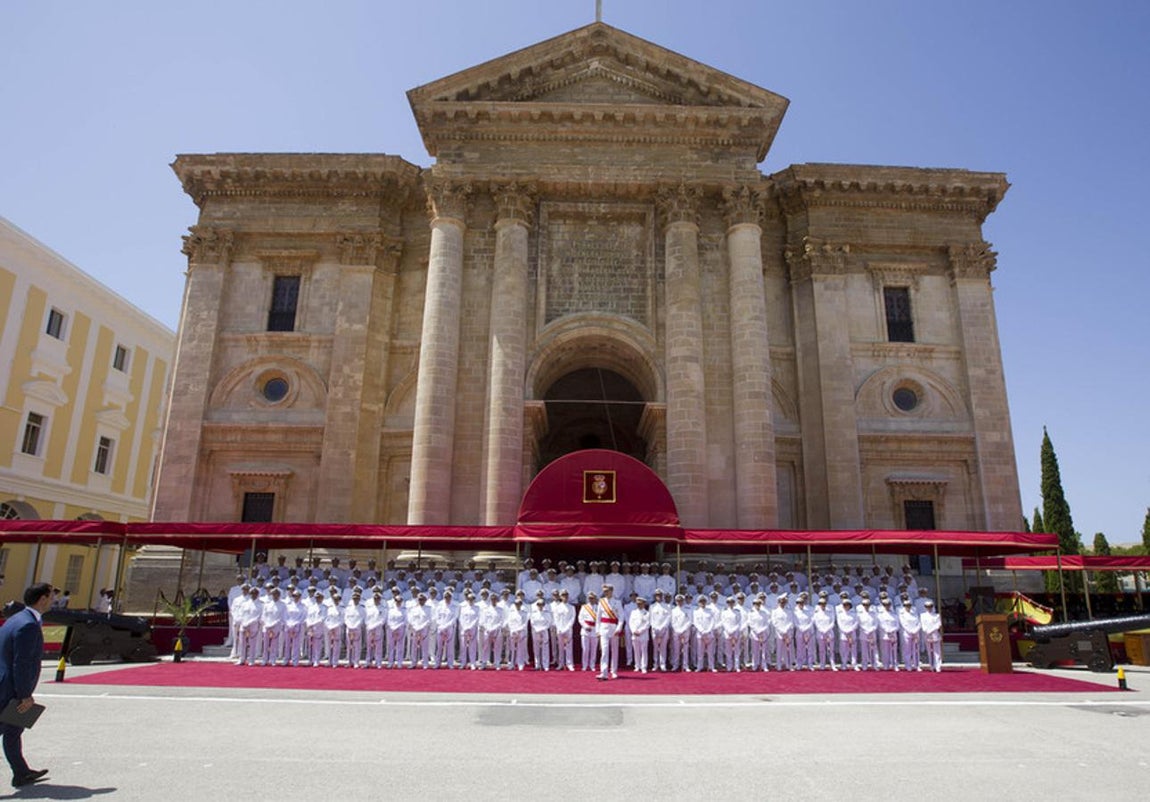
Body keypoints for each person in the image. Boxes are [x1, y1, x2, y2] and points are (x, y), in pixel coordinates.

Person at [0, 583, 52, 788]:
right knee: (10, 728)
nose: (53, 601)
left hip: (6, 684)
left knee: (13, 731)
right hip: (11, 688)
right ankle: (20, 773)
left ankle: (21, 772)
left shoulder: (15, 619)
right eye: (51, 597)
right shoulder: (28, 625)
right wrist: (25, 695)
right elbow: (21, 663)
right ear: (43, 599)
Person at [596, 585, 623, 680]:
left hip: (614, 628)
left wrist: (618, 629)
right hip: (604, 628)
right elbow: (598, 617)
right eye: (604, 591)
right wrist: (597, 630)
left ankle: (614, 671)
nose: (605, 593)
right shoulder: (601, 602)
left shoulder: (617, 602)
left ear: (612, 591)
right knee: (604, 651)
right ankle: (603, 673)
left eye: (607, 591)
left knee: (614, 651)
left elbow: (621, 617)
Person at [629, 597, 651, 673]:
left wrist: (640, 631)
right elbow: (631, 622)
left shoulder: (647, 613)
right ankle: (637, 666)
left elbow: (647, 624)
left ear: (644, 604)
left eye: (641, 604)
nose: (639, 605)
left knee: (644, 651)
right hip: (635, 634)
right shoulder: (633, 612)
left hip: (643, 635)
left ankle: (644, 666)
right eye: (638, 604)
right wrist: (633, 631)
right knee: (636, 651)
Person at [920, 600, 944, 672]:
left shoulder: (936, 615)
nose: (929, 608)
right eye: (927, 607)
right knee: (929, 651)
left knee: (937, 651)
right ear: (925, 607)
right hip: (927, 634)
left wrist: (931, 631)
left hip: (935, 634)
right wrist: (927, 631)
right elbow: (923, 625)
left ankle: (938, 666)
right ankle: (931, 665)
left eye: (930, 606)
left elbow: (938, 624)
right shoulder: (923, 615)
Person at [578, 592, 599, 671]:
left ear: (595, 598)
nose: (591, 599)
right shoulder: (584, 607)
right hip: (585, 630)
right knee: (585, 649)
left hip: (595, 629)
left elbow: (600, 619)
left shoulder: (598, 607)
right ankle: (584, 665)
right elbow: (580, 618)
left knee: (594, 649)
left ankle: (592, 665)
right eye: (589, 598)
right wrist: (585, 626)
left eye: (592, 598)